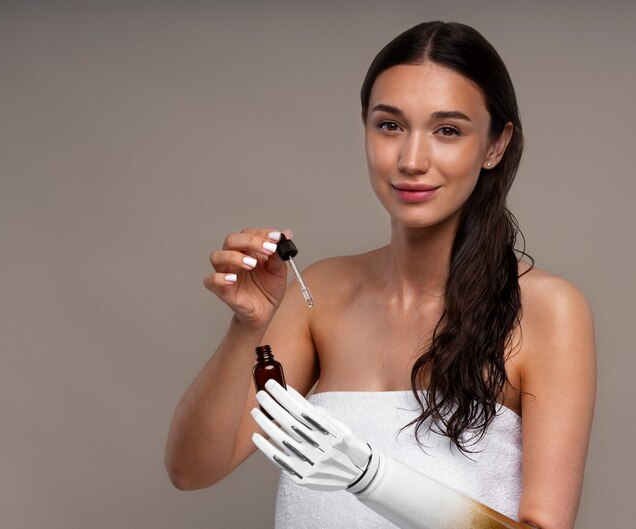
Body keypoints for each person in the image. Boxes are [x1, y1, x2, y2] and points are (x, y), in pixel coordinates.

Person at [164, 21, 595, 529]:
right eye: (389, 125)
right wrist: (247, 327)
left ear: (495, 146)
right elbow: (192, 469)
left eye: (448, 130)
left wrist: (373, 478)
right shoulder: (318, 294)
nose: (411, 160)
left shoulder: (547, 310)